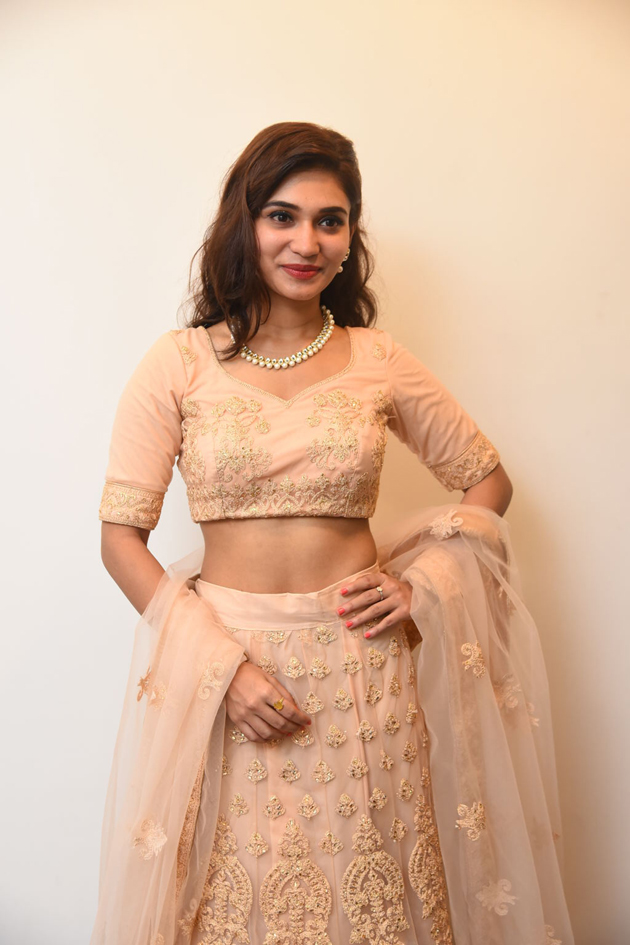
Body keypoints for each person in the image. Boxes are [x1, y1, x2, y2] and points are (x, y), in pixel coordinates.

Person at [90, 122, 574, 945]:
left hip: (364, 670)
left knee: (374, 898)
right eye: (282, 216)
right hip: (229, 671)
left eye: (330, 220)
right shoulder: (178, 363)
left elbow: (488, 481)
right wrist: (222, 669)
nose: (306, 241)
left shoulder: (377, 357)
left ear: (351, 238)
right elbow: (120, 540)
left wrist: (422, 584)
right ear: (243, 224)